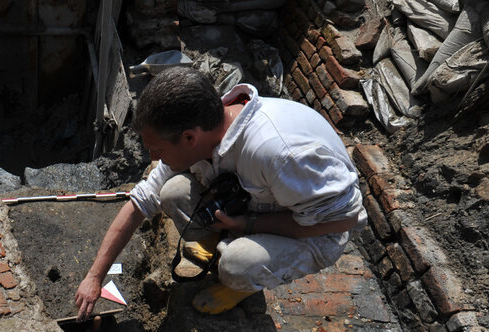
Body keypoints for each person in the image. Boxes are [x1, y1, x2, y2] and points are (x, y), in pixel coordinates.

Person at [74, 66, 367, 318]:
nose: (154, 158)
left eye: (158, 150)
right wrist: (94, 276)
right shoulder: (209, 129)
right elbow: (140, 202)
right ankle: (218, 240)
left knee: (237, 265)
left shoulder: (280, 154)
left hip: (316, 231)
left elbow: (343, 222)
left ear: (189, 137)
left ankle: (239, 283)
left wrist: (248, 225)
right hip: (259, 204)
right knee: (172, 191)